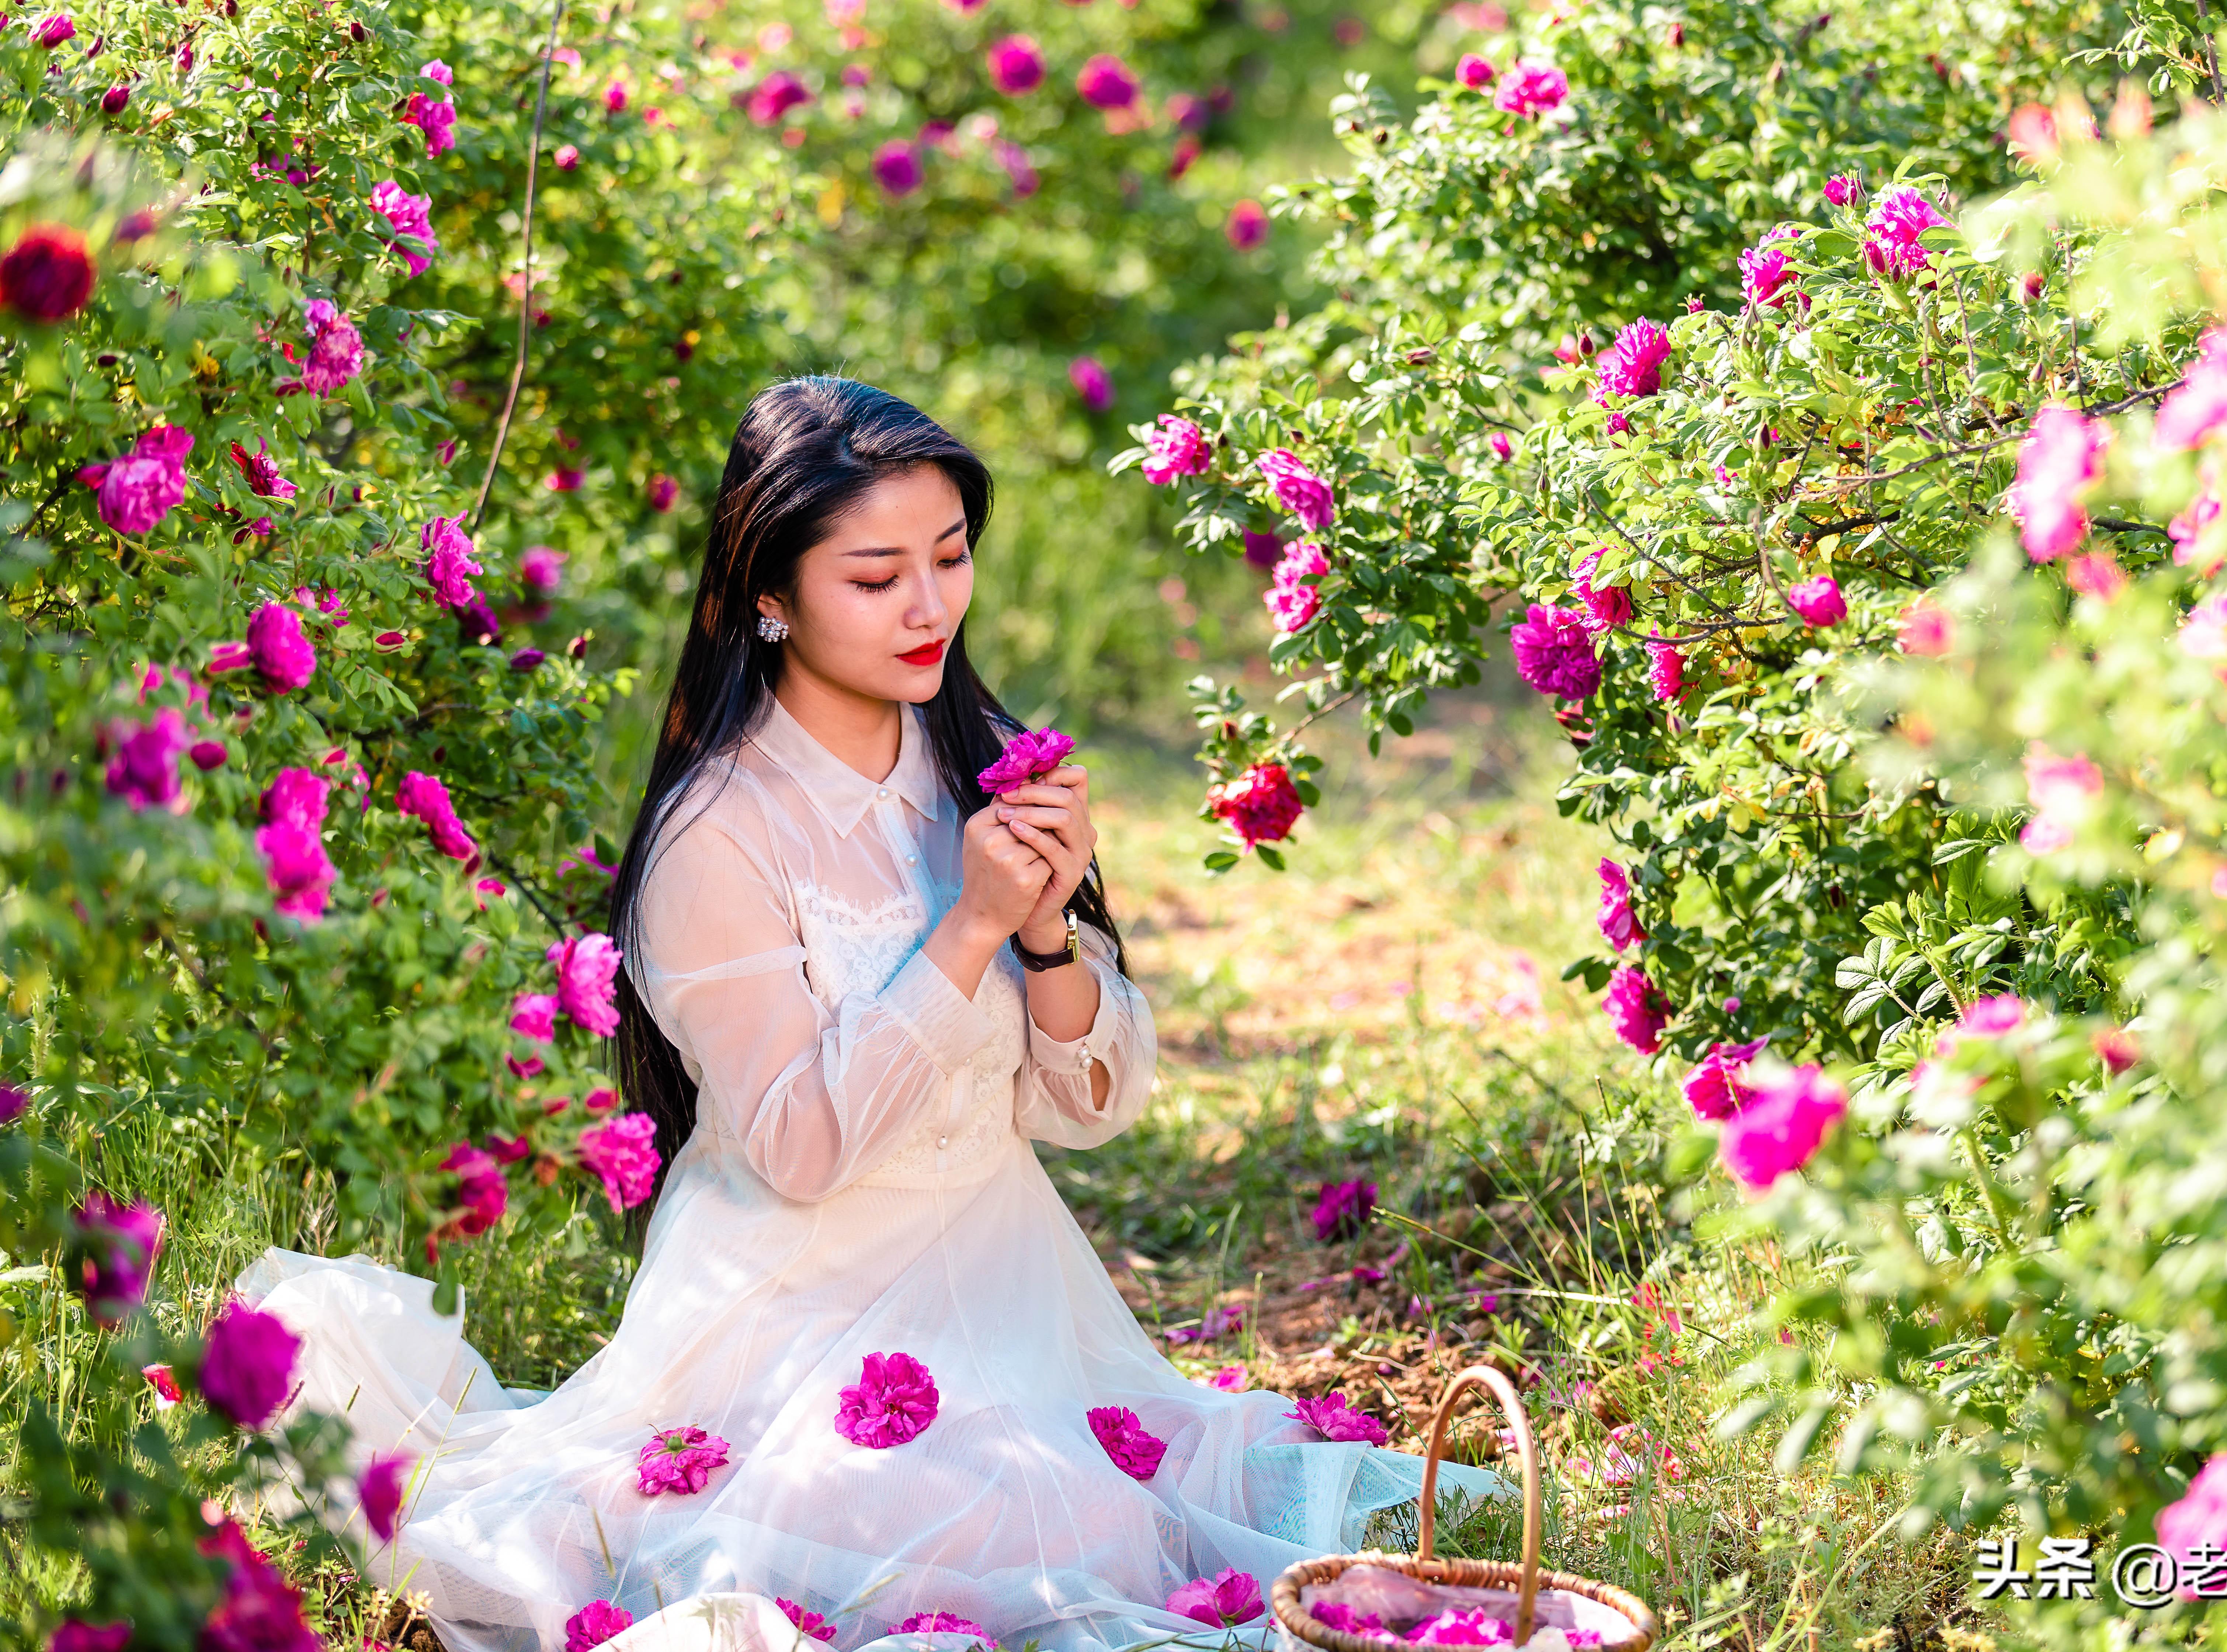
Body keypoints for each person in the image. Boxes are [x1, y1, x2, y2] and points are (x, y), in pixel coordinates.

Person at [238, 378, 1495, 1652]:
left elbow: (1092, 1110)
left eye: (950, 558)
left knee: (1110, 1520)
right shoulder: (718, 834)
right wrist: (968, 929)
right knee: (1002, 1538)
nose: (931, 606)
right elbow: (800, 1151)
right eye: (878, 576)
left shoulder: (977, 758)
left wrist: (1046, 928)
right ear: (770, 596)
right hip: (796, 1322)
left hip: (1010, 1295)